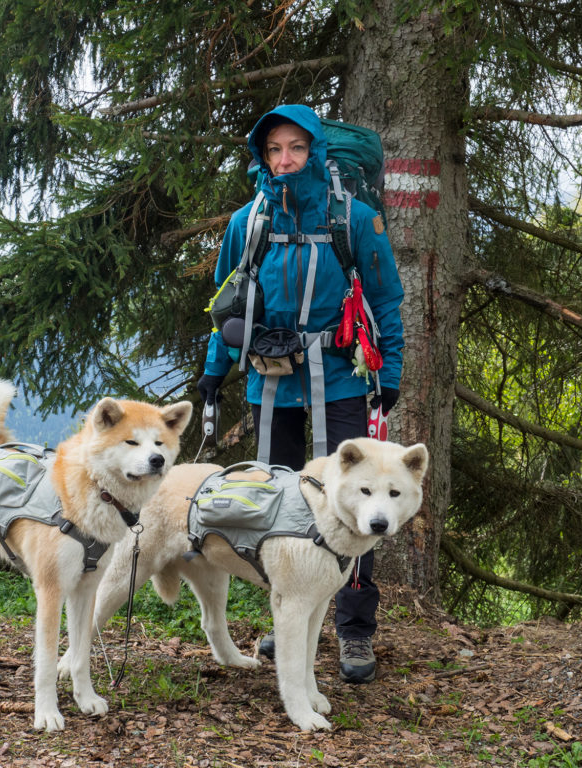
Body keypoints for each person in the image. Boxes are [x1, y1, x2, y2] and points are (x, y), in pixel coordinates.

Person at [196, 104, 405, 684]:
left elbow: (386, 299)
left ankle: (355, 630)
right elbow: (228, 303)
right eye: (273, 150)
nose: (284, 160)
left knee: (356, 510)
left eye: (295, 148)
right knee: (277, 510)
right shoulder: (249, 221)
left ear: (315, 151)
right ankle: (289, 613)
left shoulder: (354, 219)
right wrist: (216, 370)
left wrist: (390, 375)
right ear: (262, 157)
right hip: (270, 382)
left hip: (338, 380)